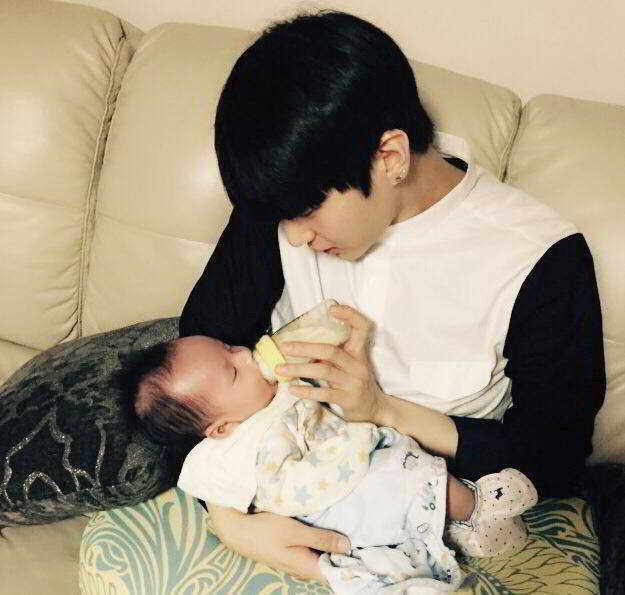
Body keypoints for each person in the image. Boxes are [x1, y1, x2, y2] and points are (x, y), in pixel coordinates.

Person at [178, 10, 605, 582]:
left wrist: (381, 409)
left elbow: (555, 456)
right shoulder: (284, 199)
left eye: (306, 213)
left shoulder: (538, 257)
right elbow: (201, 350)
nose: (295, 237)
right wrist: (228, 519)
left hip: (439, 510)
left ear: (391, 157)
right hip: (271, 486)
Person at [120, 333, 538, 592]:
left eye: (230, 348)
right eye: (233, 371)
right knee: (421, 492)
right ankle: (471, 516)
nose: (247, 355)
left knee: (422, 475)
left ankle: (471, 520)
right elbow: (228, 502)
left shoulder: (277, 386)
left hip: (363, 461)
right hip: (333, 502)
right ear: (219, 428)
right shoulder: (223, 454)